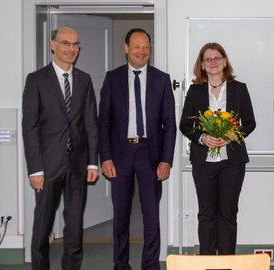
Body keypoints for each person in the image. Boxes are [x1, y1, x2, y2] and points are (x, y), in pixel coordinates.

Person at [98, 28, 176, 269]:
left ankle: (150, 264)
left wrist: (166, 160)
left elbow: (170, 124)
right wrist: (106, 158)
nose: (142, 51)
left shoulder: (162, 79)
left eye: (146, 47)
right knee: (120, 216)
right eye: (137, 46)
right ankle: (121, 264)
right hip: (120, 155)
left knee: (151, 217)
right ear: (126, 48)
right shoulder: (112, 78)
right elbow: (104, 122)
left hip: (150, 155)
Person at [22, 26, 98, 270]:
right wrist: (35, 169)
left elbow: (90, 123)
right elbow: (30, 126)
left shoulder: (85, 80)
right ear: (52, 45)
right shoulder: (36, 80)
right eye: (65, 43)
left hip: (77, 165)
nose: (71, 49)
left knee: (74, 227)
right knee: (42, 226)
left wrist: (92, 161)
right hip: (47, 166)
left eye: (75, 44)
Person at [179, 42, 256, 255]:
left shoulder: (239, 89)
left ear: (224, 61)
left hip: (233, 161)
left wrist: (235, 134)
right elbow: (185, 125)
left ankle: (226, 261)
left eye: (217, 58)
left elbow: (250, 122)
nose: (213, 62)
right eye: (208, 59)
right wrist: (202, 138)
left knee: (228, 214)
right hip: (204, 163)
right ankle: (207, 261)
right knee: (206, 214)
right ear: (202, 65)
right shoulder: (194, 91)